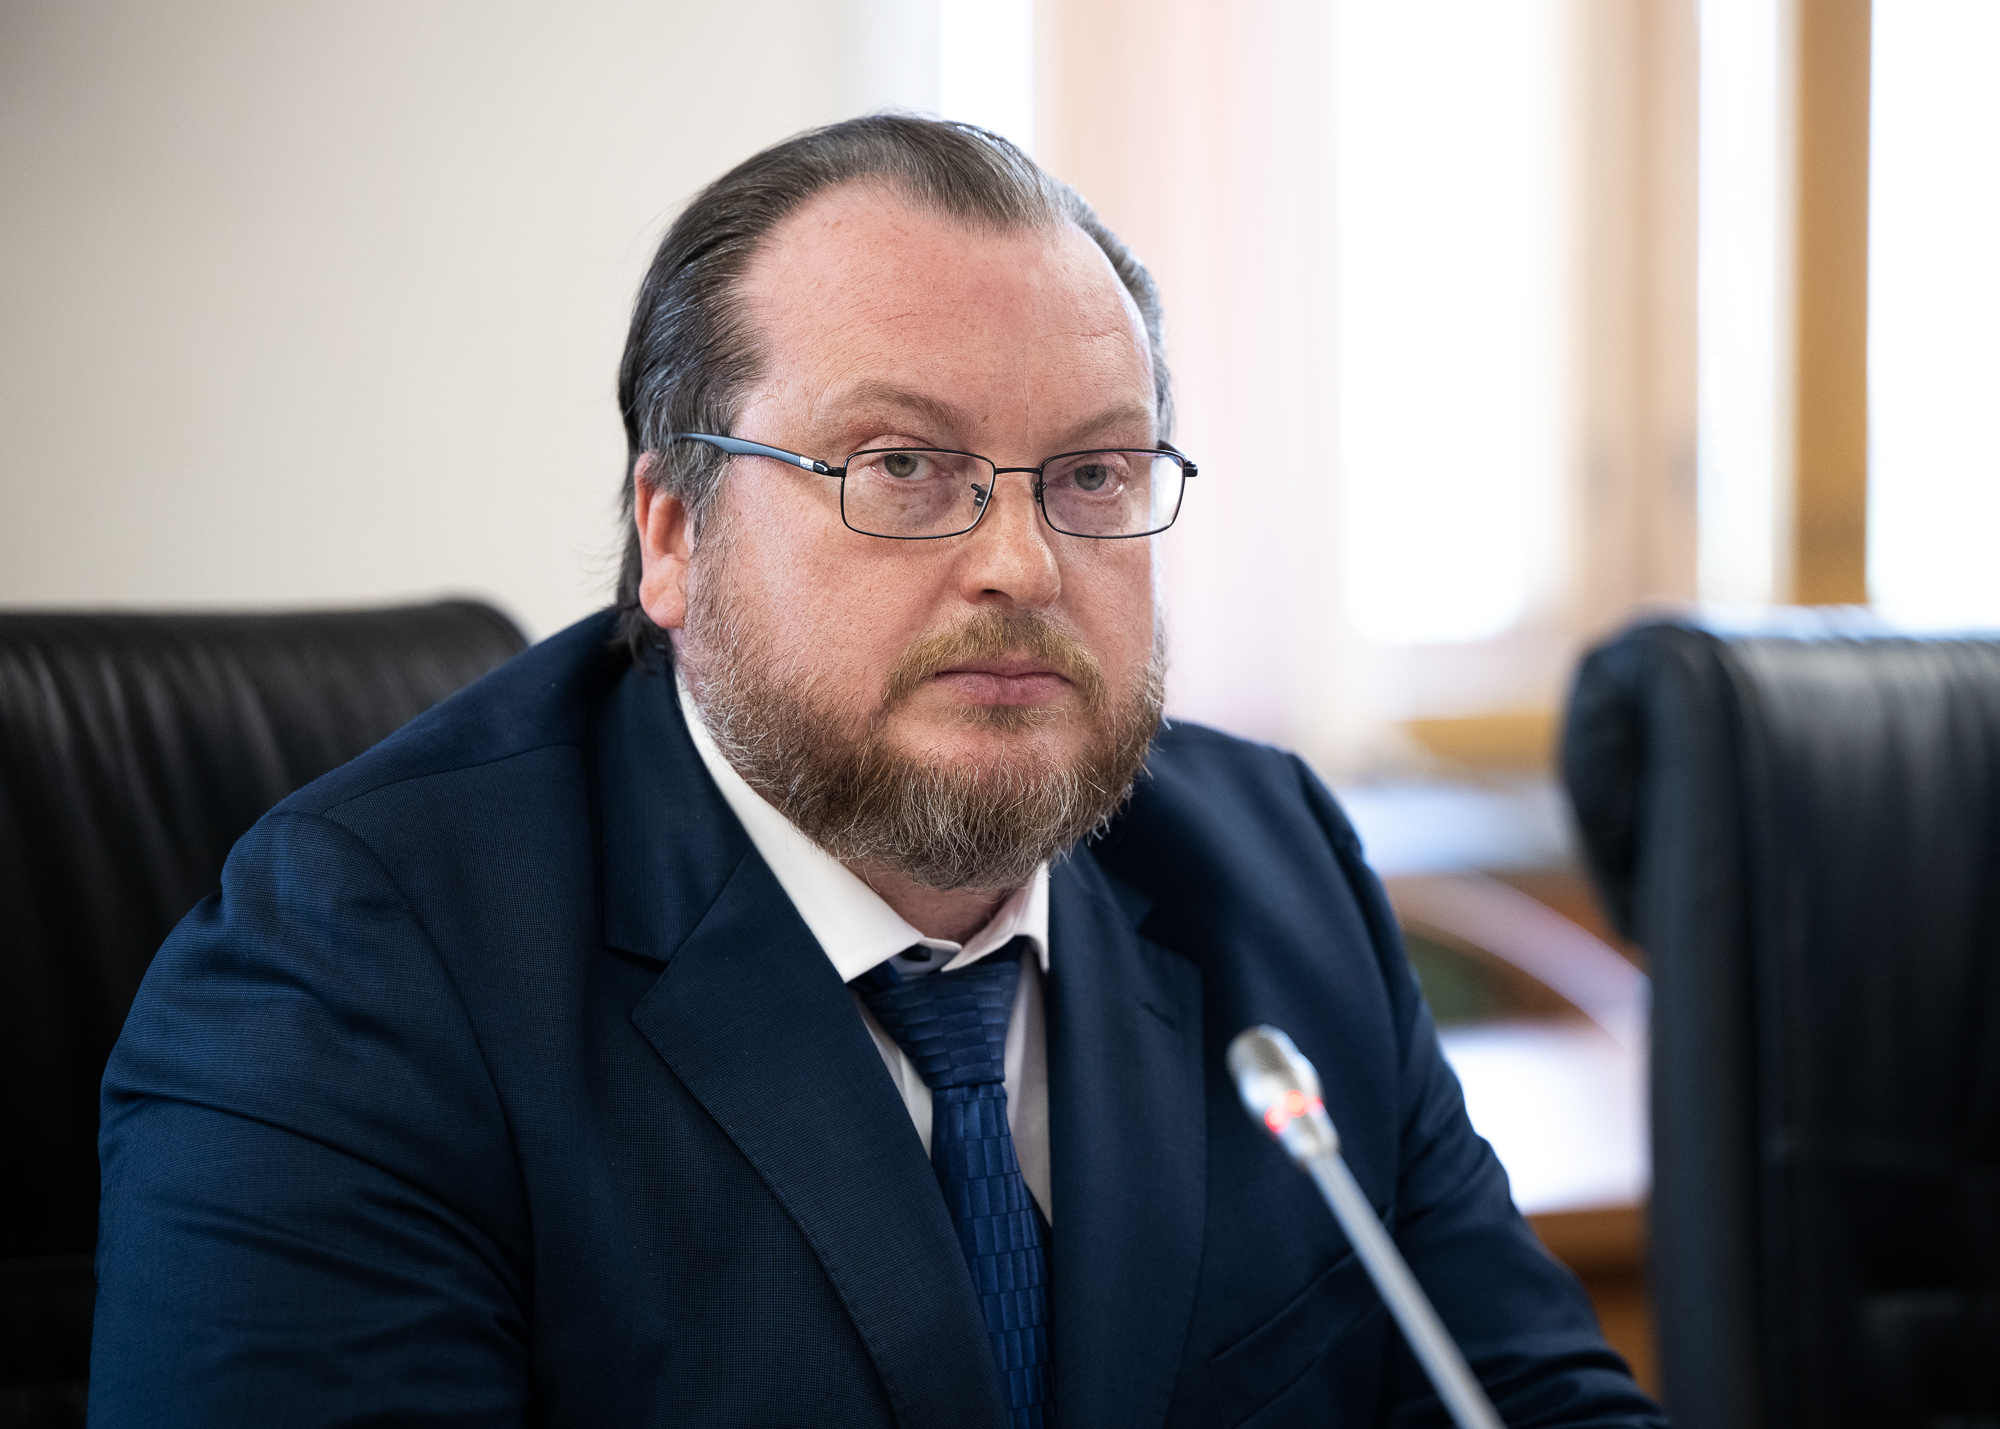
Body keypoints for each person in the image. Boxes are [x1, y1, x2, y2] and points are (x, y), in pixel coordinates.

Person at [91, 116, 1664, 1427]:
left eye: (1093, 472)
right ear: (673, 531)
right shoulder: (353, 977)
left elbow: (1518, 1391)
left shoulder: (1273, 867)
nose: (1022, 562)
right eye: (902, 466)